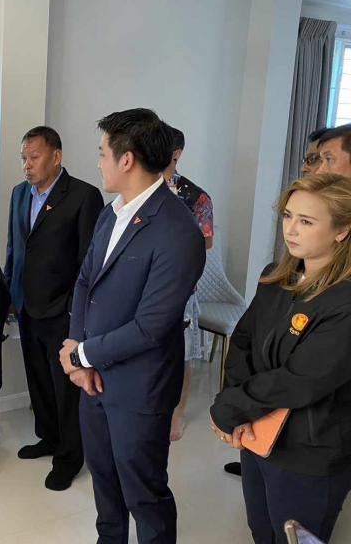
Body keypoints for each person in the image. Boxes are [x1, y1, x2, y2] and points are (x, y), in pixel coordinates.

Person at [60, 108, 206, 544]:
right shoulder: (112, 213)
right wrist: (79, 349)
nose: (98, 163)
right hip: (93, 380)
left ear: (126, 160)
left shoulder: (179, 230)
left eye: (102, 153)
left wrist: (82, 354)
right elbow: (85, 282)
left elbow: (151, 327)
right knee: (104, 483)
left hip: (140, 388)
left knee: (144, 493)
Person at [210, 174, 351, 544]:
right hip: (257, 433)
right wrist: (237, 408)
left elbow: (301, 379)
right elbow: (243, 341)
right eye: (288, 216)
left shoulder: (344, 301)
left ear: (341, 230)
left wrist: (231, 407)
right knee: (261, 530)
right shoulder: (275, 277)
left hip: (308, 450)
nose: (291, 229)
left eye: (306, 221)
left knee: (293, 537)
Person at [4, 126, 104, 491]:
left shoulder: (83, 196)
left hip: (62, 311)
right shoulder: (19, 194)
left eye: (34, 157)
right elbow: (14, 249)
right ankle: (48, 437)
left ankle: (69, 457)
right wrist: (9, 296)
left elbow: (89, 263)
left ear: (56, 156)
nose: (27, 165)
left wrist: (73, 311)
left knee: (66, 388)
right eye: (23, 158)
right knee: (39, 380)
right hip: (27, 306)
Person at [164, 126, 214, 442]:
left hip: (181, 288)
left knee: (182, 355)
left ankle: (178, 413)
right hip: (142, 287)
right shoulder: (140, 188)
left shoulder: (195, 196)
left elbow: (206, 241)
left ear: (176, 153)